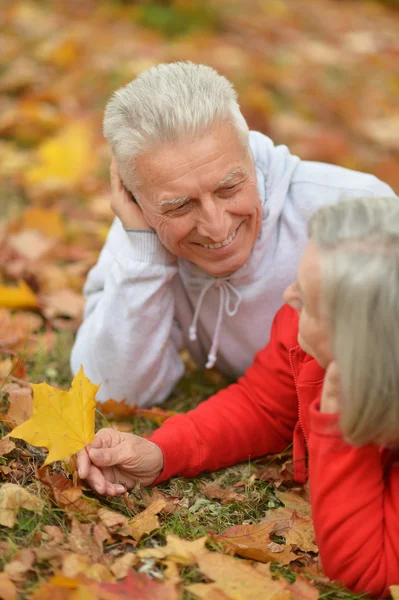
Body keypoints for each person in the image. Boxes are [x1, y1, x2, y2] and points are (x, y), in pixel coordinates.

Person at [78, 196, 399, 597]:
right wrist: (160, 453)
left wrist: (340, 424)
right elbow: (262, 405)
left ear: (364, 346)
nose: (288, 296)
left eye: (310, 301)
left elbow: (369, 573)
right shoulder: (302, 334)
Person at [70, 62, 395, 407]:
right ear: (135, 201)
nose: (216, 227)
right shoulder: (143, 232)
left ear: (251, 157)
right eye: (181, 207)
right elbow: (110, 393)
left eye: (229, 188)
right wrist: (145, 255)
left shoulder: (350, 208)